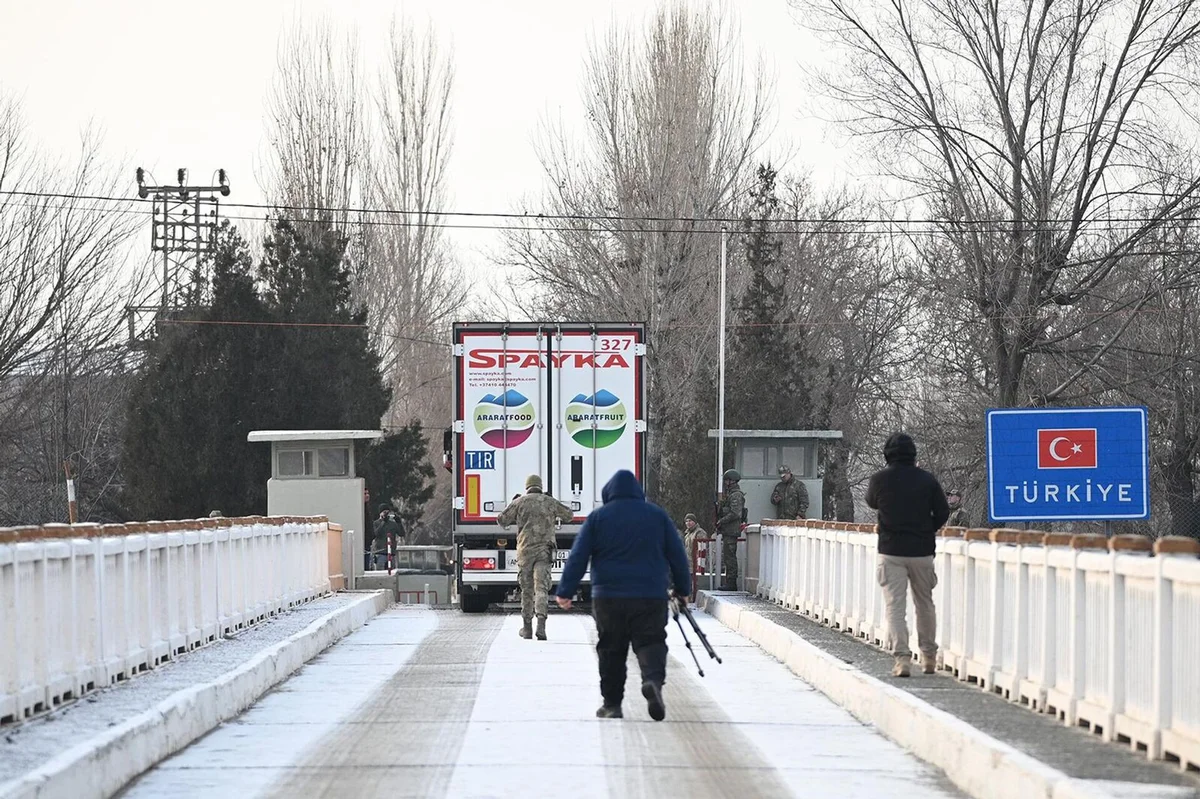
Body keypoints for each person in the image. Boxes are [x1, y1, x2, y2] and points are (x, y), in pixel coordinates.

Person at [555, 470, 690, 721]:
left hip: (608, 597)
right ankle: (652, 681)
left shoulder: (597, 518)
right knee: (651, 641)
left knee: (611, 649)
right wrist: (683, 589)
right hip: (650, 596)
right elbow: (678, 555)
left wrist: (566, 590)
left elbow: (578, 556)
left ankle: (612, 704)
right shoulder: (657, 516)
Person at [865, 432, 950, 678]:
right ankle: (929, 657)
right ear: (914, 455)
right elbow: (943, 511)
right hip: (922, 552)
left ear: (886, 455)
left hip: (891, 551)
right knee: (924, 604)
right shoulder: (927, 480)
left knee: (895, 607)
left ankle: (902, 659)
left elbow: (872, 502)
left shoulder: (880, 480)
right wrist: (927, 529)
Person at [498, 474, 573, 640]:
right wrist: (552, 501)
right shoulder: (549, 502)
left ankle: (527, 628)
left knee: (527, 589)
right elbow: (569, 515)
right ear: (540, 486)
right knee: (541, 588)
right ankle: (541, 625)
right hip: (544, 552)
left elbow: (501, 520)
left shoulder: (520, 502)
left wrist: (513, 503)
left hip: (525, 552)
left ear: (527, 487)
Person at [714, 469, 745, 591]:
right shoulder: (731, 494)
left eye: (727, 480)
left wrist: (721, 521)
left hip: (731, 530)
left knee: (730, 557)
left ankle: (731, 583)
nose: (726, 483)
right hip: (728, 530)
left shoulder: (736, 495)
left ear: (731, 481)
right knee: (728, 557)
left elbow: (735, 513)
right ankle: (729, 582)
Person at [371, 504, 404, 571]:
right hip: (380, 552)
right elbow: (376, 534)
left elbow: (401, 533)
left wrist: (399, 523)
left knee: (392, 573)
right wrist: (383, 522)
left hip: (391, 553)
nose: (386, 514)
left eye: (387, 512)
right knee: (380, 572)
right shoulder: (376, 523)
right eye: (384, 512)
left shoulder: (393, 524)